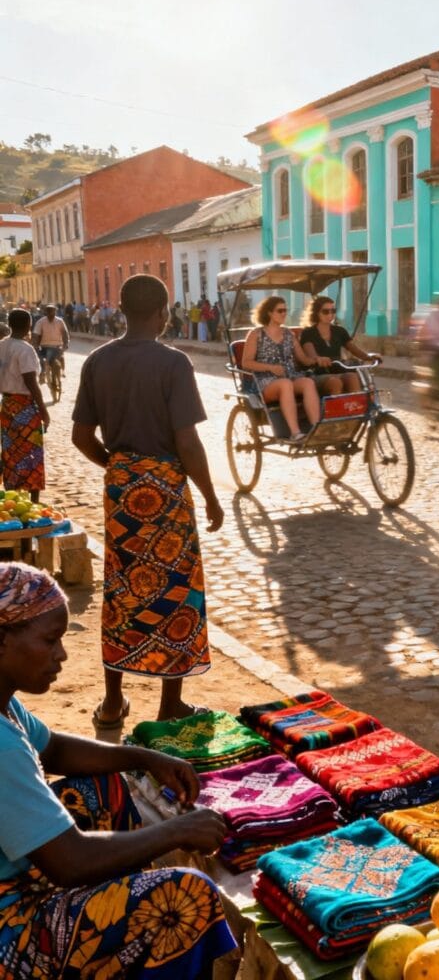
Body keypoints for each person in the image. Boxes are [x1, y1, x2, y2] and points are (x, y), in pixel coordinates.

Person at [0, 562, 237, 977]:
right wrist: (176, 831)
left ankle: (116, 921)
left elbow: (55, 748)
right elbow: (69, 862)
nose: (62, 654)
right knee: (183, 898)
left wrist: (145, 758)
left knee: (105, 790)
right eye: (50, 640)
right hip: (9, 928)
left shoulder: (6, 705)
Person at [71, 274, 223, 727]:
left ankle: (112, 702)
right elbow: (187, 441)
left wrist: (119, 468)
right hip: (167, 490)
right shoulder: (173, 363)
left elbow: (81, 436)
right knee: (175, 589)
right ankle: (169, 703)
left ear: (120, 310)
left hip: (121, 491)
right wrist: (210, 496)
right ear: (162, 313)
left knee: (122, 588)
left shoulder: (97, 360)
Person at [241, 295, 322, 442]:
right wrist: (270, 367)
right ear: (269, 313)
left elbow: (303, 359)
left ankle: (316, 428)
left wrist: (317, 359)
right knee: (285, 384)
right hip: (265, 381)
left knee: (307, 383)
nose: (284, 313)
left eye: (285, 310)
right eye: (280, 310)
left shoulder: (289, 334)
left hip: (290, 376)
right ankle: (295, 433)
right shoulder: (256, 334)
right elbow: (246, 363)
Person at [0, 310, 49, 501]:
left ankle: (12, 498)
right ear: (29, 325)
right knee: (32, 453)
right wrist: (43, 410)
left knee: (10, 452)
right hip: (25, 408)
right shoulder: (25, 349)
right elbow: (30, 381)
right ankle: (33, 501)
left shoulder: (2, 345)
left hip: (7, 406)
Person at [300, 294, 381, 395]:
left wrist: (368, 356)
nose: (330, 314)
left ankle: (355, 404)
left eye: (333, 311)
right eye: (325, 311)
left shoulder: (340, 331)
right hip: (318, 373)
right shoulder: (308, 333)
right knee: (335, 382)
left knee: (352, 377)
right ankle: (336, 405)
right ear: (317, 313)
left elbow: (353, 348)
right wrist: (318, 359)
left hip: (338, 370)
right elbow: (310, 353)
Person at [32, 305, 69, 382]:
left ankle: (62, 371)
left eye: (53, 312)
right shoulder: (41, 322)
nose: (51, 313)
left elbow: (65, 333)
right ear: (46, 312)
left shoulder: (60, 321)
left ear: (55, 312)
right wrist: (35, 345)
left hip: (57, 346)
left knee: (61, 357)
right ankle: (42, 374)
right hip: (44, 347)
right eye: (49, 312)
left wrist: (66, 343)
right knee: (41, 360)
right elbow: (36, 335)